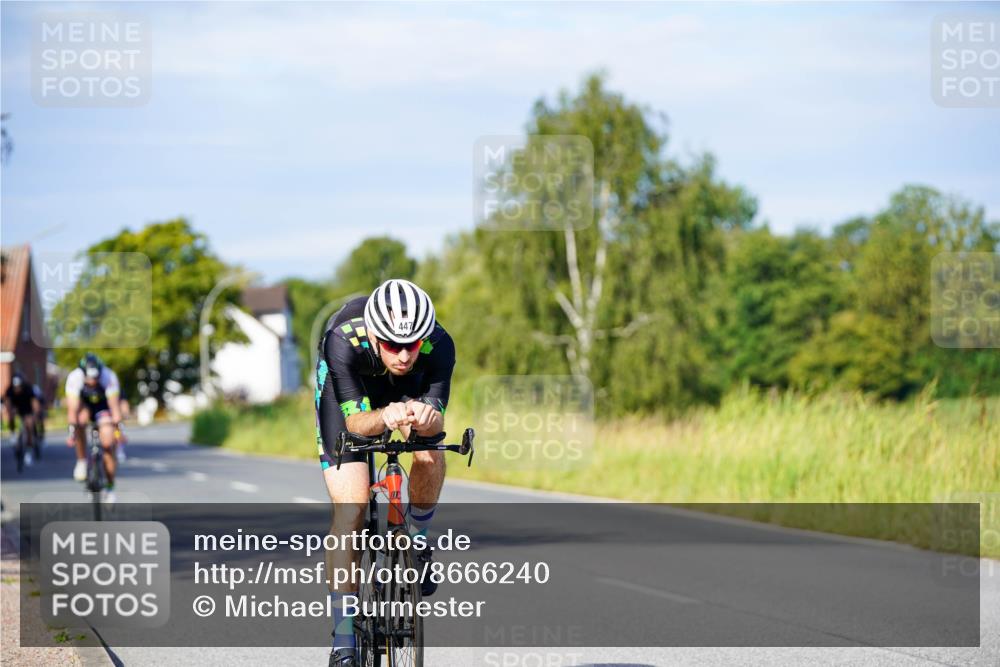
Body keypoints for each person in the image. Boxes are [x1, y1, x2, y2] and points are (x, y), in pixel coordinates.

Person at [315, 279, 454, 667]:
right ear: (375, 334)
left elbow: (436, 417)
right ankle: (343, 640)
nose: (405, 355)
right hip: (350, 399)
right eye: (393, 345)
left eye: (413, 344)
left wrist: (427, 418)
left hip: (407, 394)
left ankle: (419, 540)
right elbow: (356, 423)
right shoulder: (342, 339)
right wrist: (383, 415)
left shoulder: (439, 344)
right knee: (352, 508)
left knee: (429, 452)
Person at [64, 354, 124, 502]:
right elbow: (72, 410)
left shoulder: (109, 377)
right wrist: (73, 431)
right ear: (83, 373)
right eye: (89, 379)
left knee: (107, 444)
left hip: (103, 407)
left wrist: (117, 430)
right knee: (80, 421)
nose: (92, 382)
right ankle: (82, 461)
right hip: (84, 406)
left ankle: (110, 487)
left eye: (95, 378)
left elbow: (115, 409)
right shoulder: (74, 378)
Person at [3, 372, 40, 465]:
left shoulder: (28, 389)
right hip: (17, 408)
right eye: (16, 387)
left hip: (27, 409)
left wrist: (35, 416)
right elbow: (7, 403)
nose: (17, 389)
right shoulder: (10, 390)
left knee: (29, 426)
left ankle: (28, 451)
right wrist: (9, 412)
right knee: (11, 416)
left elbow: (35, 403)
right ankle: (13, 434)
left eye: (19, 387)